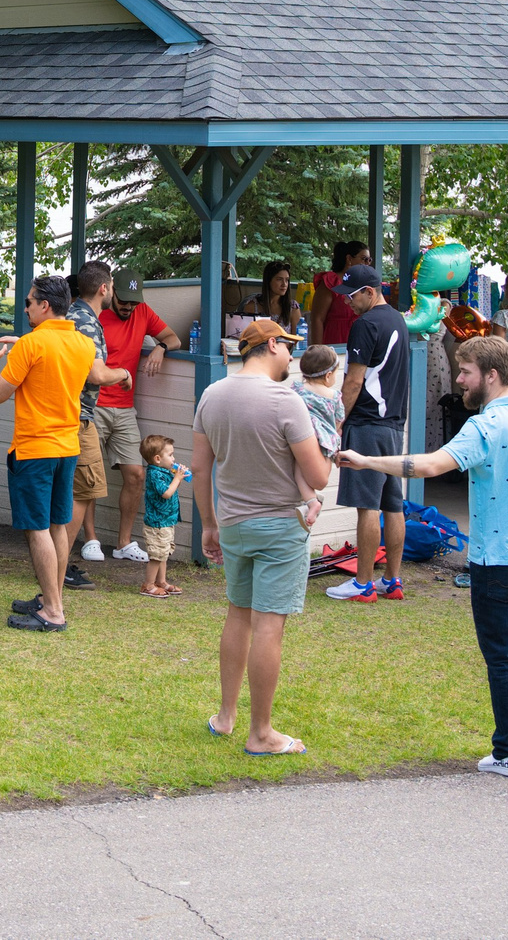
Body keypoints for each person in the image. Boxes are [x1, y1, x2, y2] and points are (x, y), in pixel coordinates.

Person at [339, 335, 508, 778]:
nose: (459, 380)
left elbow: (430, 465)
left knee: (504, 658)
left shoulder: (484, 426)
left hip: (500, 562)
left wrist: (367, 461)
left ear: (492, 375)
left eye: (465, 372)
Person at [193, 319, 329, 754]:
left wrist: (209, 524)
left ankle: (226, 717)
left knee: (238, 615)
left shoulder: (212, 395)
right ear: (272, 345)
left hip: (233, 525)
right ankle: (261, 734)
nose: (292, 355)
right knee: (269, 625)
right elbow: (318, 476)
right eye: (288, 346)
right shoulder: (286, 401)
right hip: (279, 528)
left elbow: (200, 468)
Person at [0, 272, 94, 632]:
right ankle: (51, 599)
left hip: (34, 449)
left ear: (44, 305)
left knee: (36, 529)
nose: (25, 307)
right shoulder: (83, 345)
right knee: (58, 525)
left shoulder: (31, 345)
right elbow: (53, 362)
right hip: (67, 447)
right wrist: (27, 345)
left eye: (29, 302)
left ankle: (54, 612)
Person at [327, 265, 410, 603]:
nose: (346, 301)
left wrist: (337, 421)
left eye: (351, 295)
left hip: (366, 422)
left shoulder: (365, 324)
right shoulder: (398, 320)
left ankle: (362, 584)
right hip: (393, 425)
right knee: (393, 504)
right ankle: (392, 580)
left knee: (367, 506)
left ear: (370, 292)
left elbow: (353, 381)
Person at [93, 266, 169, 563]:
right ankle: (91, 540)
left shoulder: (143, 312)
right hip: (94, 405)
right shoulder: (96, 314)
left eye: (133, 302)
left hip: (125, 408)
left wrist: (160, 347)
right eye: (124, 300)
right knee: (88, 476)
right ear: (111, 290)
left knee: (137, 474)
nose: (128, 307)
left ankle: (123, 544)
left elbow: (172, 337)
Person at [65, 263, 126, 578]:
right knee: (84, 490)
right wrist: (124, 374)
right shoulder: (86, 322)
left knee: (69, 490)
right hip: (79, 417)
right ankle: (57, 565)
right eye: (112, 284)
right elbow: (96, 374)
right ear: (104, 288)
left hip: (64, 414)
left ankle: (55, 562)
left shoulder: (70, 315)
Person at [137, 434, 189, 598]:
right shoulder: (155, 474)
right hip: (157, 523)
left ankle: (161, 582)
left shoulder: (164, 471)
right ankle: (148, 585)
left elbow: (170, 489)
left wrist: (178, 478)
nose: (174, 458)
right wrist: (177, 479)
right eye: (170, 455)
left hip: (166, 521)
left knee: (163, 554)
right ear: (158, 459)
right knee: (157, 555)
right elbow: (166, 493)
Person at [293, 345, 345, 456]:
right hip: (323, 445)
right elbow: (338, 420)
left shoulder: (297, 389)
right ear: (328, 375)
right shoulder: (334, 396)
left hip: (300, 438)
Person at [241, 260, 303, 333]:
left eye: (287, 280)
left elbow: (298, 337)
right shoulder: (252, 306)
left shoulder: (292, 308)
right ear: (268, 281)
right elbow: (246, 335)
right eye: (279, 279)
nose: (284, 284)